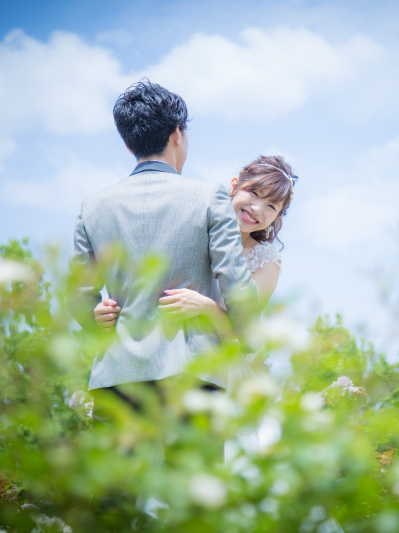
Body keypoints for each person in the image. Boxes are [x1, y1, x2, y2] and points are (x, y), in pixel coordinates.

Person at [66, 79, 259, 413]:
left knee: (120, 468)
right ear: (176, 134)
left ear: (129, 146)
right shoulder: (209, 197)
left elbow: (77, 296)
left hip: (116, 376)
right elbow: (238, 289)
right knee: (193, 468)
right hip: (193, 374)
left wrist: (94, 318)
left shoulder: (92, 207)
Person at [93, 155, 297, 342]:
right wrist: (107, 311)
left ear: (277, 217)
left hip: (217, 364)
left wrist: (206, 307)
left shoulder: (266, 261)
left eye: (271, 206)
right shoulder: (191, 226)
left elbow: (247, 331)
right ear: (234, 186)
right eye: (254, 193)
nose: (257, 209)